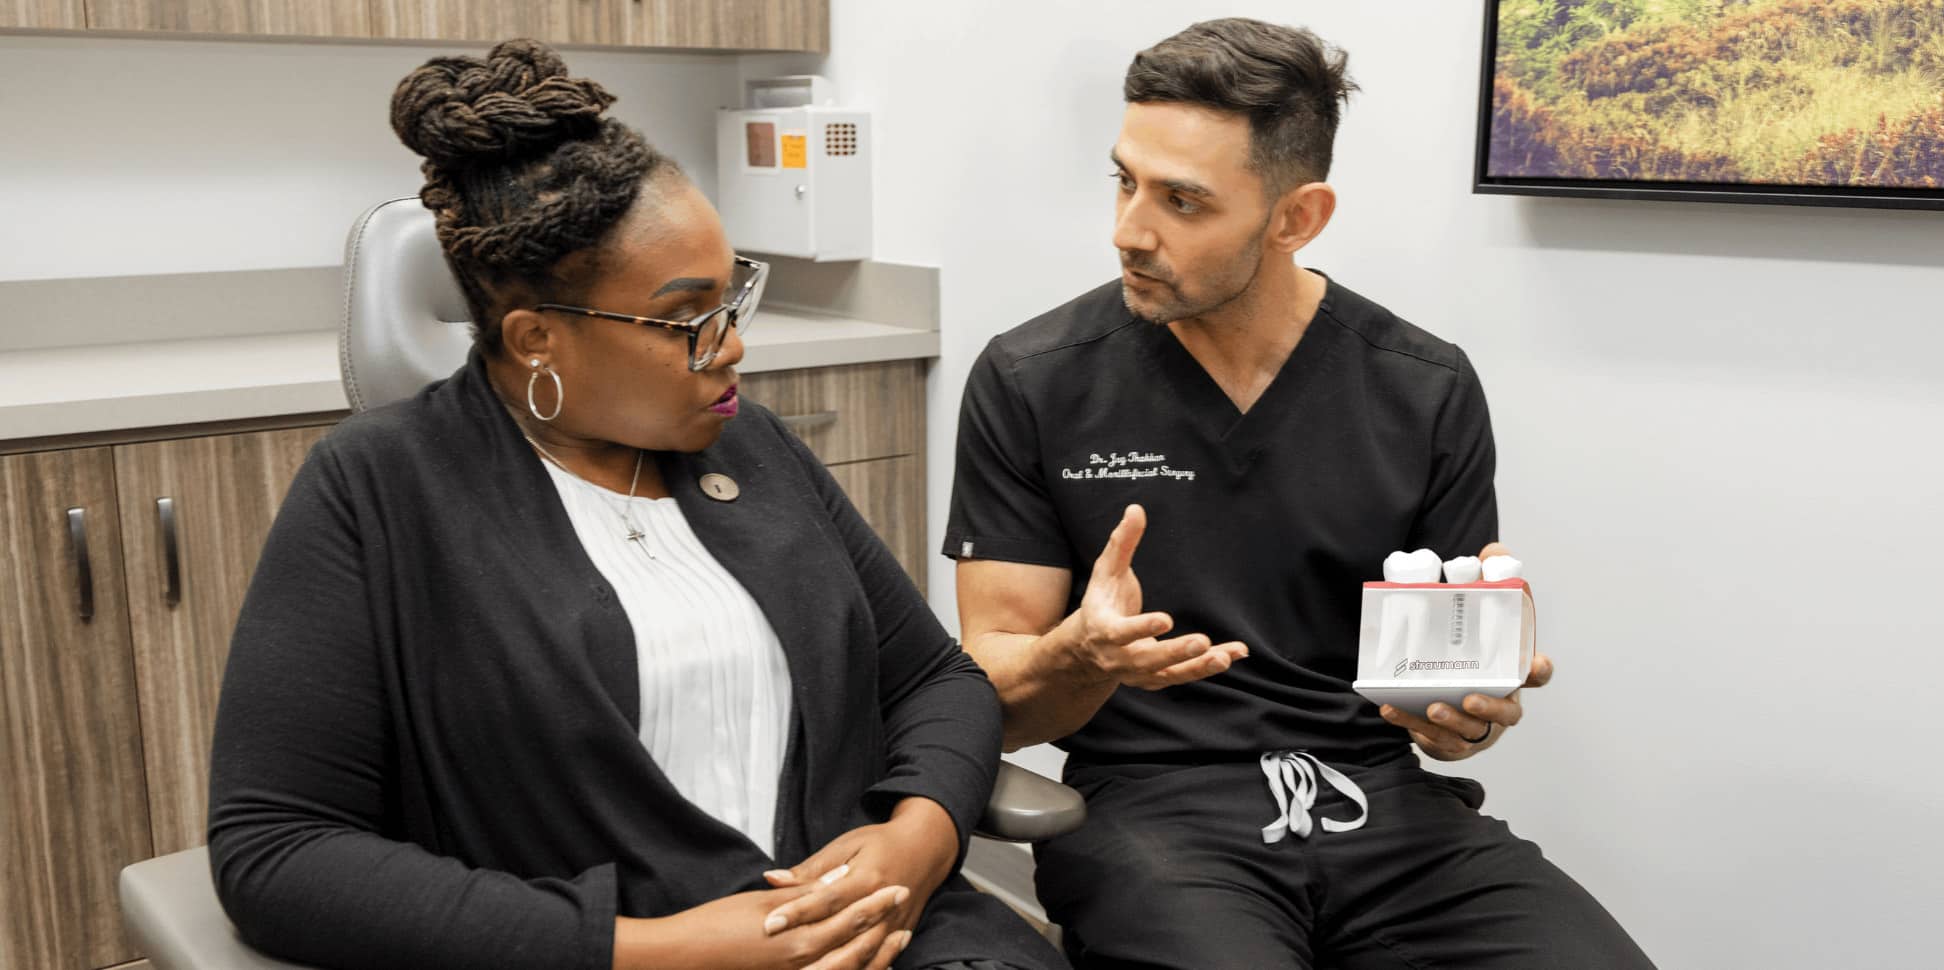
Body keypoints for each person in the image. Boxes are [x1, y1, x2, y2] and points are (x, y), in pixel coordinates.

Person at [206, 39, 1064, 970]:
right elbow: (278, 852)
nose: (731, 347)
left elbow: (935, 680)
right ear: (539, 339)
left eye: (734, 295)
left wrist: (923, 835)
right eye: (687, 318)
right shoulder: (375, 490)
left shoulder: (755, 448)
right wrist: (663, 949)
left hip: (884, 930)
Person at [946, 18, 1653, 970]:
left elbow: (1443, 717)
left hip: (1383, 806)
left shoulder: (1421, 387)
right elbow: (995, 690)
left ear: (1297, 217)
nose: (1129, 231)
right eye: (1125, 180)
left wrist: (1461, 712)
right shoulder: (1033, 381)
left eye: (1183, 202)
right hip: (1156, 812)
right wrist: (1083, 653)